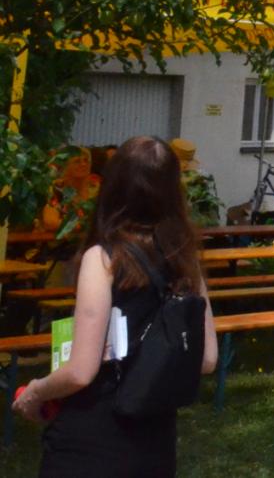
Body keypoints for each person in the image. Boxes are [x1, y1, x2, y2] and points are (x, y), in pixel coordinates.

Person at [13, 135, 220, 476]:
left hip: (93, 437)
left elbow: (81, 371)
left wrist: (36, 391)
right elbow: (208, 359)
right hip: (154, 437)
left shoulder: (104, 258)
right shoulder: (184, 257)